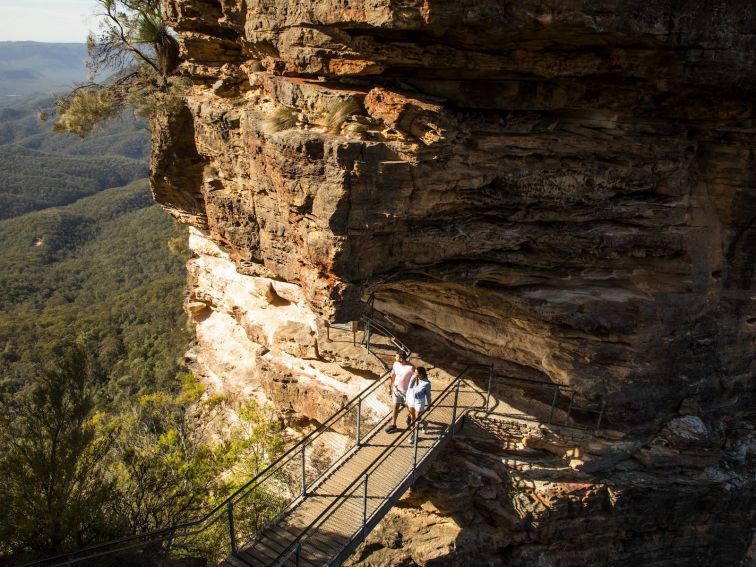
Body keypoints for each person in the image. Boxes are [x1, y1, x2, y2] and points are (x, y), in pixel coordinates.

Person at [385, 351, 416, 433]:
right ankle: (393, 425)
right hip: (397, 390)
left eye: (397, 356)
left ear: (401, 359)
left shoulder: (411, 368)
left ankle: (410, 417)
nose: (395, 358)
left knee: (409, 408)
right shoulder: (396, 364)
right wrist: (389, 386)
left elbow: (416, 380)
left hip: (407, 392)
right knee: (395, 407)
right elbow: (393, 375)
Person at [407, 367, 432, 434]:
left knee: (418, 418)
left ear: (421, 374)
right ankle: (413, 435)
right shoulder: (413, 378)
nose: (415, 374)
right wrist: (406, 399)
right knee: (412, 417)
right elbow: (409, 389)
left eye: (416, 373)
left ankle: (424, 423)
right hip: (411, 399)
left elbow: (428, 395)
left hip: (419, 401)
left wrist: (429, 404)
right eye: (415, 372)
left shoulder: (427, 383)